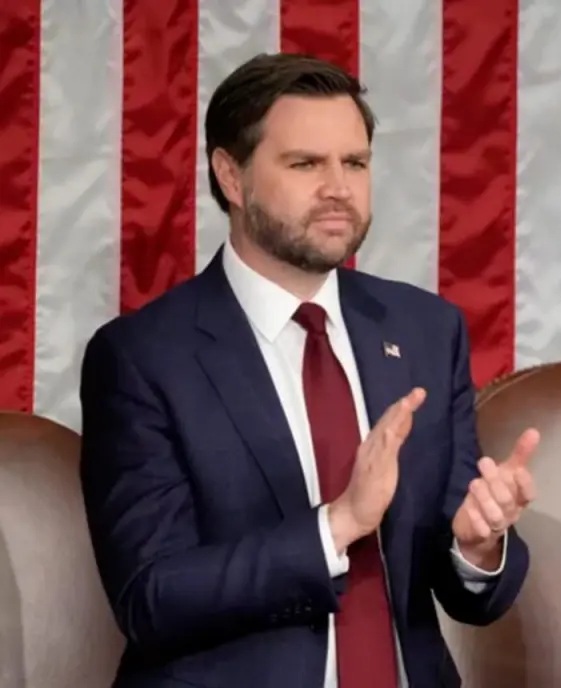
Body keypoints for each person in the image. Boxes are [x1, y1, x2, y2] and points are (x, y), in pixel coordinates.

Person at [78, 53, 535, 688]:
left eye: (355, 163)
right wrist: (338, 524)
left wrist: (476, 546)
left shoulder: (426, 331)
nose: (339, 188)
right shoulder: (142, 357)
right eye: (305, 164)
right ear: (231, 177)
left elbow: (462, 587)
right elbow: (150, 597)